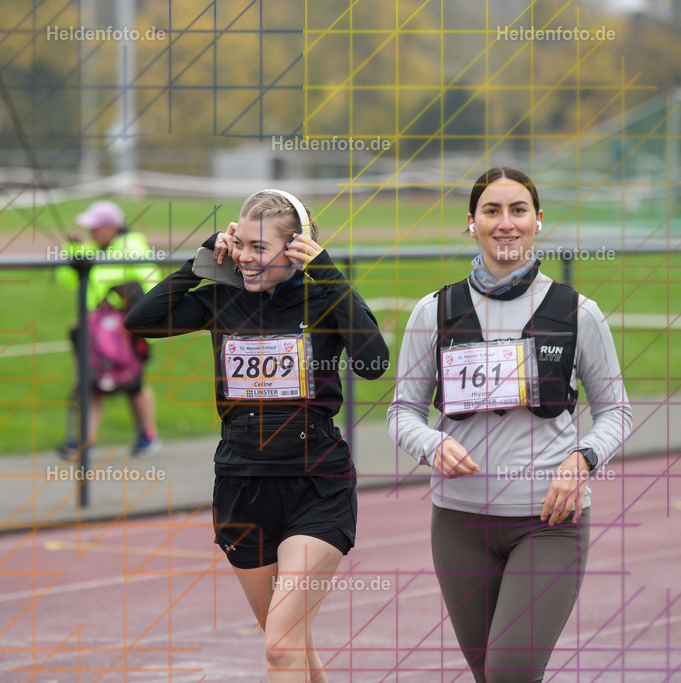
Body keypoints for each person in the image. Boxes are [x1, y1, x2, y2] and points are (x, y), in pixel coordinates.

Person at [126, 189, 389, 681]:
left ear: (297, 248)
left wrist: (329, 275)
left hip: (316, 484)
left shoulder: (324, 296)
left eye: (259, 248)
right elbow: (140, 321)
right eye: (239, 243)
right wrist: (204, 257)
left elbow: (374, 364)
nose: (245, 258)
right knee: (288, 641)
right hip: (242, 485)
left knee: (280, 644)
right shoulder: (224, 298)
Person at [387, 167, 632, 682]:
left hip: (548, 523)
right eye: (491, 211)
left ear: (538, 221)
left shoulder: (579, 313)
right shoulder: (433, 312)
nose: (505, 224)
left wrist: (583, 459)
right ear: (470, 223)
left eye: (518, 210)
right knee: (489, 675)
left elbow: (616, 412)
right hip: (459, 524)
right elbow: (402, 412)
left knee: (511, 671)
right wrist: (431, 445)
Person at [56, 200, 162, 458]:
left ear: (111, 227)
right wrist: (73, 253)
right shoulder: (97, 248)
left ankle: (147, 436)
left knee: (133, 385)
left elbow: (124, 282)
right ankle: (87, 442)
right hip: (101, 334)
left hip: (129, 332)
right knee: (94, 383)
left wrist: (104, 317)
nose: (91, 232)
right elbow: (68, 280)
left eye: (95, 227)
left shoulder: (131, 247)